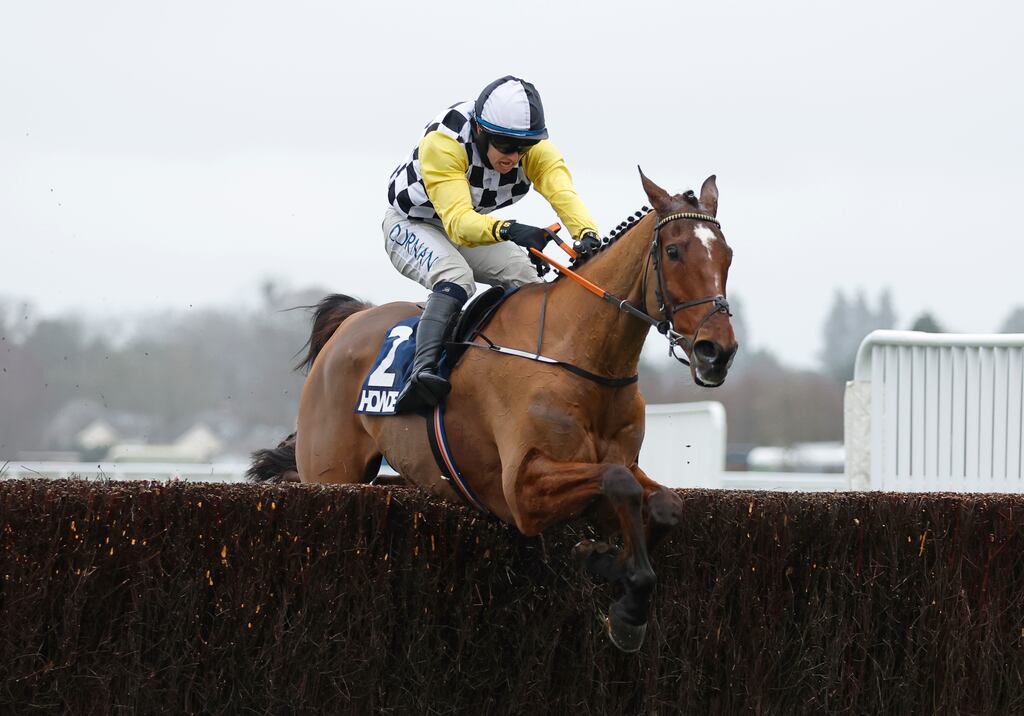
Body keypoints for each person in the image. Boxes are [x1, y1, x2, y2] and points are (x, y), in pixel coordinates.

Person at [384, 75, 602, 412]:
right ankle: (421, 373)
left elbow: (563, 193)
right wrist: (512, 230)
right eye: (505, 146)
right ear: (481, 131)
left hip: (466, 223)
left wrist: (587, 235)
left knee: (526, 277)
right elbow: (458, 223)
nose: (515, 157)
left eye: (523, 148)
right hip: (413, 222)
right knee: (456, 278)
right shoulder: (445, 142)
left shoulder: (532, 148)